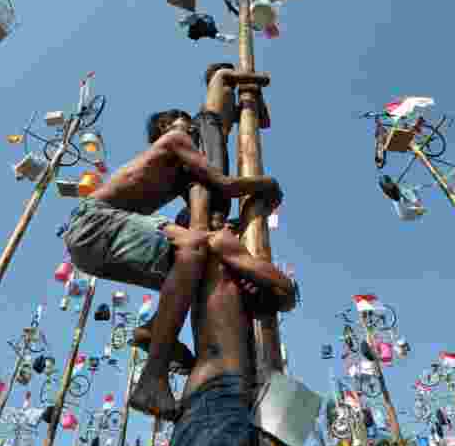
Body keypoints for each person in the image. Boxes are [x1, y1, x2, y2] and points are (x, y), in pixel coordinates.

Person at [63, 106, 297, 419]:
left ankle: (152, 330)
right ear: (167, 128)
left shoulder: (185, 174)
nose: (193, 134)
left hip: (94, 248)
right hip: (96, 223)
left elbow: (207, 212)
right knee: (194, 249)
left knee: (190, 268)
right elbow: (225, 184)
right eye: (188, 127)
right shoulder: (174, 140)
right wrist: (266, 182)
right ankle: (152, 378)